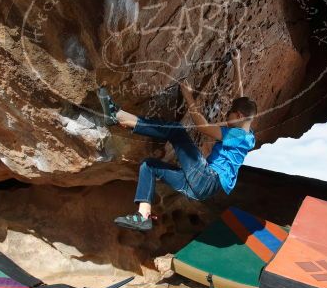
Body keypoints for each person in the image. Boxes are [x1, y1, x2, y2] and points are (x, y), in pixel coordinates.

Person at [98, 81, 256, 232]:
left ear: (239, 115)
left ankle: (117, 115)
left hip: (208, 178)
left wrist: (188, 95)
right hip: (203, 191)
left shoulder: (236, 136)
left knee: (176, 130)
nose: (226, 117)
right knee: (149, 165)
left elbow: (203, 127)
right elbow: (241, 101)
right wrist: (236, 65)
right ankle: (143, 216)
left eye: (229, 114)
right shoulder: (249, 137)